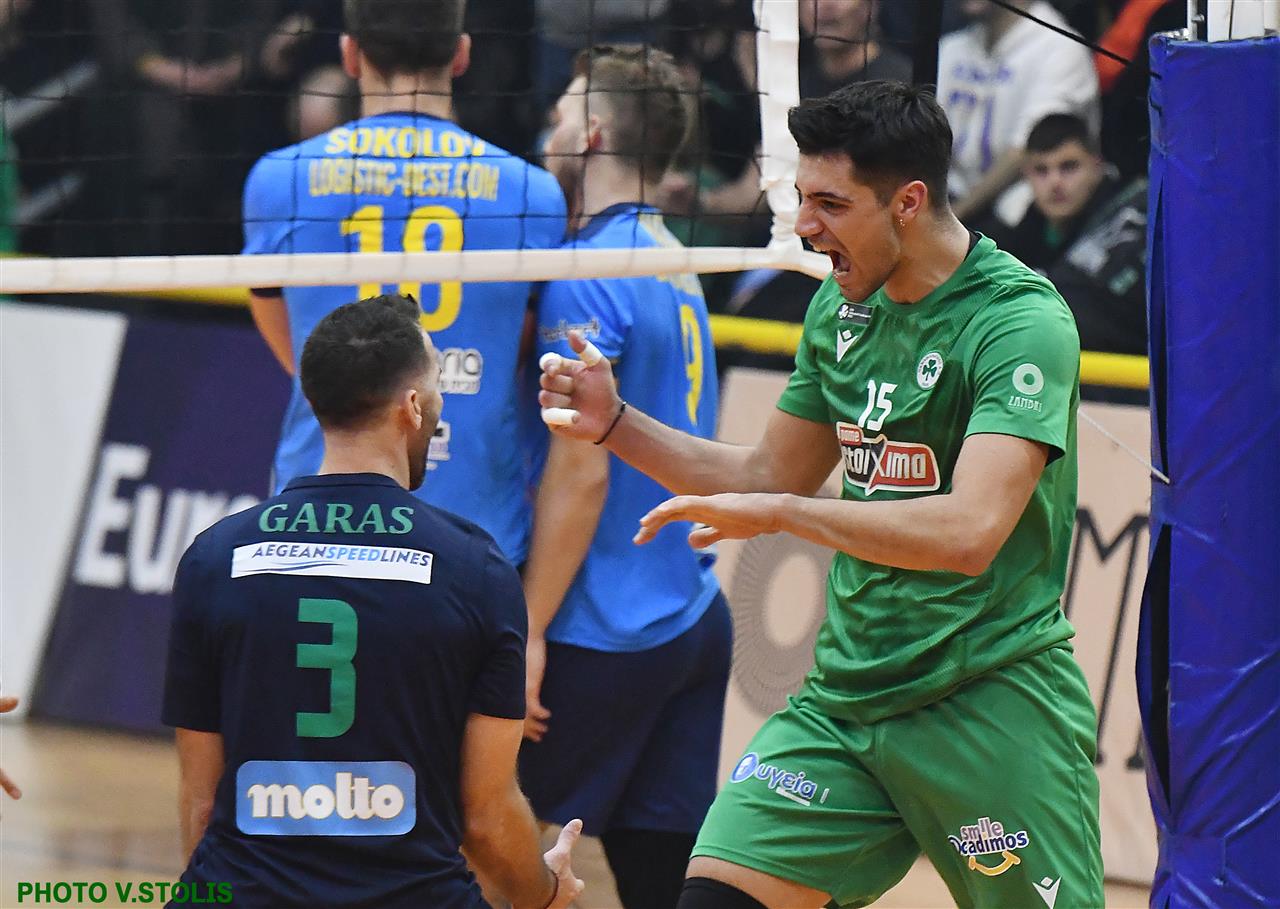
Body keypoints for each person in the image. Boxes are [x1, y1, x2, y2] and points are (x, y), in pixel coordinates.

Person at [539, 80, 1103, 909]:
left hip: (988, 696)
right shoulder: (841, 310)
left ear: (909, 202)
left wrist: (781, 516)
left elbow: (969, 532)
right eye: (804, 197)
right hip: (846, 703)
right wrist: (616, 423)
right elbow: (765, 475)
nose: (805, 225)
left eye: (830, 204)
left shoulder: (1019, 322)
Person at [162, 294, 584, 909]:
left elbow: (202, 803)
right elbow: (486, 817)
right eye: (435, 386)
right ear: (412, 407)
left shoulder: (214, 558)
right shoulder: (474, 568)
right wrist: (546, 895)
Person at [518, 45, 731, 909]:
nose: (550, 129)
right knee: (662, 883)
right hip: (690, 617)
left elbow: (582, 472)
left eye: (563, 111)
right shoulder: (670, 256)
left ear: (595, 132)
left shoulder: (590, 270)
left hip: (602, 630)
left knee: (484, 846)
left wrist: (528, 629)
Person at [243, 0, 567, 567]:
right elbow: (517, 347)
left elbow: (293, 347)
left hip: (319, 510)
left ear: (350, 54)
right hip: (471, 520)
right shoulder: (532, 194)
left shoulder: (281, 179)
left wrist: (360, 384)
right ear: (461, 54)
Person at [936, 0, 1098, 225]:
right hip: (946, 201)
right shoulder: (951, 47)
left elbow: (1023, 150)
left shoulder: (1061, 49)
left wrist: (950, 218)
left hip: (1018, 218)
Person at [1000, 113, 1147, 355]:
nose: (1055, 182)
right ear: (1026, 175)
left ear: (1097, 166)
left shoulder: (1136, 211)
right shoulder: (1026, 230)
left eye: (1069, 167)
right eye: (1041, 170)